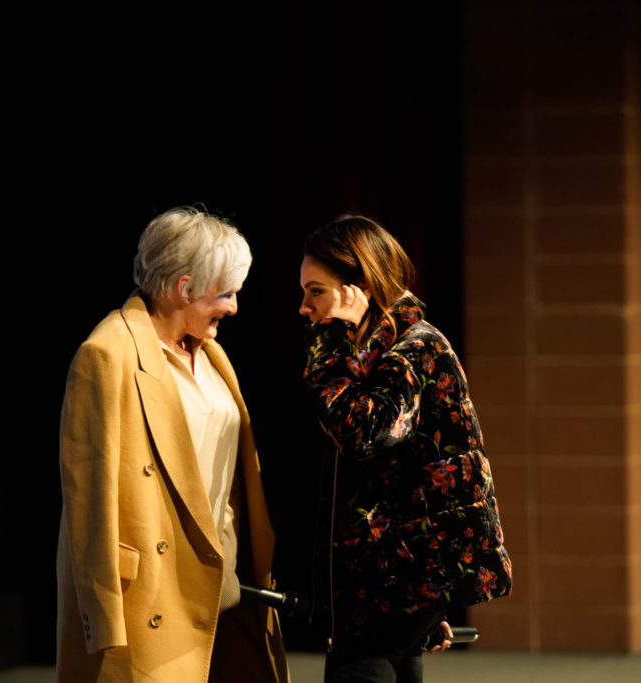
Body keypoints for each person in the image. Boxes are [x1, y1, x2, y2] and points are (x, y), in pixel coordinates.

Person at [56, 207, 289, 682]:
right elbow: (89, 501)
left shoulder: (213, 354)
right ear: (185, 288)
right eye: (226, 293)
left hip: (222, 586)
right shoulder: (107, 354)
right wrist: (103, 615)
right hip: (151, 599)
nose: (234, 307)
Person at [298, 215, 511, 683]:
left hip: (392, 587)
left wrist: (332, 337)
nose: (304, 307)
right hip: (390, 585)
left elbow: (358, 431)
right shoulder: (380, 351)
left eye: (316, 291)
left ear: (359, 290)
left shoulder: (413, 350)